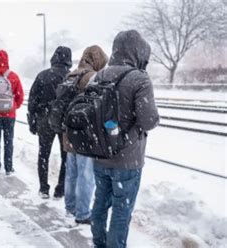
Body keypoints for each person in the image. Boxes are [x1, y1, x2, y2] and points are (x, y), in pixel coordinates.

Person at [90, 30, 159, 248]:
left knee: (100, 204)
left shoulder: (98, 76)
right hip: (128, 160)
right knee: (122, 210)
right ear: (137, 52)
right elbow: (148, 121)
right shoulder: (139, 78)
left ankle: (99, 243)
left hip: (100, 154)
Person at [59, 45, 108, 225]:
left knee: (71, 172)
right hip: (85, 134)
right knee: (86, 174)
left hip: (68, 132)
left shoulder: (71, 74)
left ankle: (70, 207)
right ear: (97, 61)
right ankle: (83, 213)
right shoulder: (92, 77)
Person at [27, 46, 72, 199]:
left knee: (43, 154)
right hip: (64, 122)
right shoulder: (71, 77)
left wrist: (32, 121)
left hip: (44, 119)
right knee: (65, 156)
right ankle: (60, 189)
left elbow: (32, 100)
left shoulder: (42, 76)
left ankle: (44, 188)